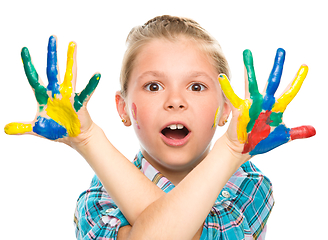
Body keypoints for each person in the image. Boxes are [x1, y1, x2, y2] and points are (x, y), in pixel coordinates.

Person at [4, 15, 316, 240]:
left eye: (196, 86)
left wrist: (233, 151)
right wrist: (87, 138)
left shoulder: (252, 187)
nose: (175, 101)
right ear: (124, 108)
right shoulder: (96, 200)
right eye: (154, 86)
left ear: (226, 110)